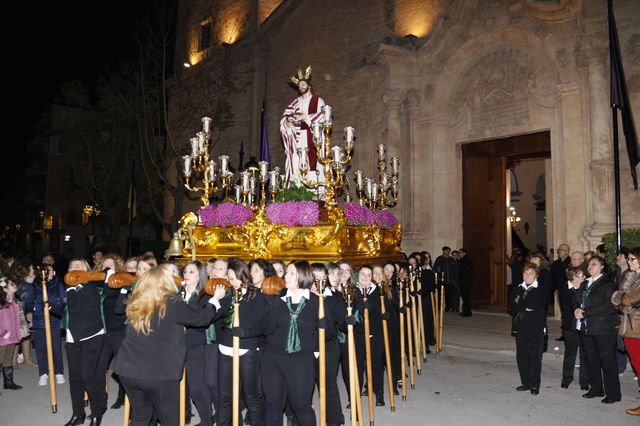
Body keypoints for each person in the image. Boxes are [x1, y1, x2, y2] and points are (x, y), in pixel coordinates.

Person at [112, 264, 224, 426]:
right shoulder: (171, 303)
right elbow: (201, 318)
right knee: (169, 420)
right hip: (159, 374)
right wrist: (215, 300)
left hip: (128, 371)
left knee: (141, 417)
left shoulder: (136, 302)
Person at [261, 260, 332, 426]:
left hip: (301, 361)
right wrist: (271, 307)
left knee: (301, 406)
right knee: (273, 406)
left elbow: (329, 335)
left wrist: (324, 326)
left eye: (291, 273)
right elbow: (265, 329)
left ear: (302, 276)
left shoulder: (316, 302)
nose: (286, 276)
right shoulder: (278, 299)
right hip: (273, 359)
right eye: (287, 272)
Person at [55, 258, 108, 426]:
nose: (74, 268)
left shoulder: (92, 288)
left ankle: (97, 412)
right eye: (71, 266)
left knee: (87, 376)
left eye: (79, 266)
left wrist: (71, 290)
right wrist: (49, 306)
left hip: (92, 335)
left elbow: (75, 308)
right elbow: (65, 312)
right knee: (75, 378)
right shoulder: (69, 288)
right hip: (73, 336)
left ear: (87, 270)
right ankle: (78, 414)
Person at [216, 258, 266, 426]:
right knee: (224, 396)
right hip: (225, 349)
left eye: (236, 277)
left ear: (244, 275)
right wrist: (216, 299)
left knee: (251, 395)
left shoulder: (256, 296)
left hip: (246, 350)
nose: (234, 282)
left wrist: (246, 333)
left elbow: (264, 325)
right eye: (230, 279)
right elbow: (213, 317)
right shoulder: (227, 295)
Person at [574, 256, 621, 404]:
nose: (590, 266)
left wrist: (585, 312)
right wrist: (576, 308)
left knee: (607, 362)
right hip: (586, 328)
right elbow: (576, 299)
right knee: (591, 359)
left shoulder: (608, 284)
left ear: (602, 267)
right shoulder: (585, 283)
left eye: (594, 264)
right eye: (589, 264)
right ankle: (596, 389)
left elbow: (608, 305)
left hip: (603, 329)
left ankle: (613, 394)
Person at [280, 66, 326, 186]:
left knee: (314, 163)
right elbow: (286, 117)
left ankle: (314, 188)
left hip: (312, 136)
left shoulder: (318, 100)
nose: (301, 87)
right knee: (297, 161)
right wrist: (288, 123)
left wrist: (306, 117)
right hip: (298, 138)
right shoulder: (295, 103)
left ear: (309, 86)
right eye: (299, 85)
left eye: (303, 84)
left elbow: (324, 116)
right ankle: (298, 188)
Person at [23, 263, 66, 386]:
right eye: (46, 271)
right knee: (41, 349)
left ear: (54, 273)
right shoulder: (35, 286)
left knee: (56, 348)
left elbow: (63, 301)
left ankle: (58, 372)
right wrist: (29, 311)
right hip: (39, 321)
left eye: (50, 271)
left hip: (54, 320)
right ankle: (43, 373)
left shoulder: (58, 285)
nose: (48, 273)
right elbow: (29, 301)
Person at [611, 247, 640, 416]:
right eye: (628, 259)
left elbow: (628, 298)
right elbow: (616, 298)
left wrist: (624, 300)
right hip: (628, 328)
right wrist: (625, 301)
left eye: (632, 259)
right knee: (637, 366)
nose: (629, 262)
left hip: (637, 328)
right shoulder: (629, 275)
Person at [510, 263, 546, 395]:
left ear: (536, 275)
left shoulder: (541, 288)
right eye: (525, 273)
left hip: (535, 327)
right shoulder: (518, 288)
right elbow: (512, 305)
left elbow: (534, 304)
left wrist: (520, 304)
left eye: (530, 273)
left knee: (535, 357)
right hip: (520, 327)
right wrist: (523, 307)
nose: (527, 276)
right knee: (522, 356)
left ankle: (535, 384)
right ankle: (526, 382)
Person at [560, 266, 589, 389]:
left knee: (585, 353)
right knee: (570, 352)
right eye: (581, 275)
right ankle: (567, 378)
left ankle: (584, 381)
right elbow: (567, 308)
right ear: (573, 277)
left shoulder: (586, 288)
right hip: (570, 326)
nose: (584, 277)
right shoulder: (564, 290)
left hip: (584, 325)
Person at [0, 277, 23, 391]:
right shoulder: (1, 303)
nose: (15, 285)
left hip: (12, 336)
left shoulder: (13, 301)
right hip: (3, 337)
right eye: (11, 284)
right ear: (4, 289)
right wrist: (2, 333)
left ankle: (8, 383)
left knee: (8, 358)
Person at [457, 248, 473, 317]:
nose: (459, 254)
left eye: (460, 253)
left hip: (465, 282)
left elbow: (465, 273)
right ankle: (466, 311)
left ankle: (467, 312)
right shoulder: (463, 260)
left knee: (466, 297)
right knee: (465, 297)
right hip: (464, 282)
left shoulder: (466, 261)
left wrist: (462, 281)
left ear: (464, 253)